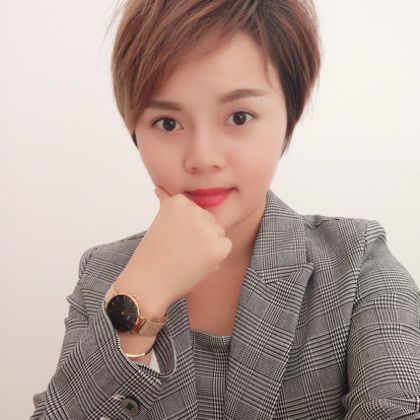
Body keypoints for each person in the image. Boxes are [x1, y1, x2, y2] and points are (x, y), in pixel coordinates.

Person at [30, 1, 420, 419]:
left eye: (239, 117)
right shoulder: (103, 274)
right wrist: (138, 302)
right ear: (135, 131)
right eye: (167, 123)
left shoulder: (356, 263)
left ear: (288, 117)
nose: (203, 158)